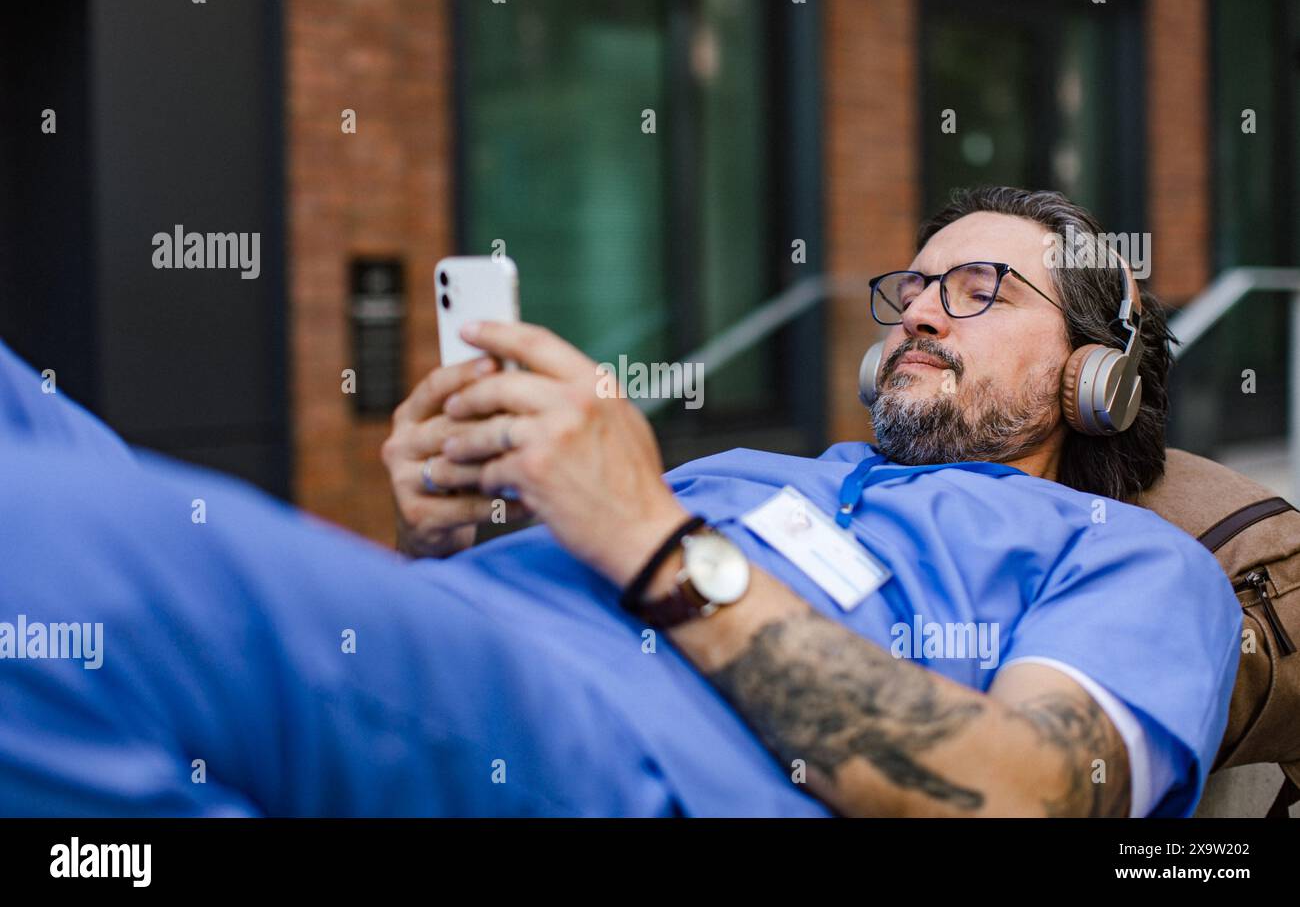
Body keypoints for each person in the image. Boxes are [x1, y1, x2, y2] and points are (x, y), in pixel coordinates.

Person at [0, 188, 1240, 817]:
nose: (917, 307)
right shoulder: (754, 477)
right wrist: (436, 534)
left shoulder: (1126, 560)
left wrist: (649, 534)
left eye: (979, 288)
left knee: (48, 553)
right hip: (454, 676)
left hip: (621, 757)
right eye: (913, 284)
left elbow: (1020, 793)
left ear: (1096, 373)